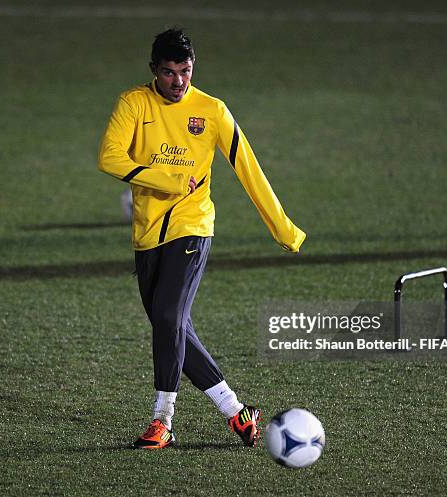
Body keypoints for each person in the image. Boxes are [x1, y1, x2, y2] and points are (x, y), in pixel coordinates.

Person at [98, 28, 305, 449]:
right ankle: (237, 412)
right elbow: (109, 156)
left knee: (169, 319)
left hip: (193, 228)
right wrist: (170, 179)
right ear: (153, 70)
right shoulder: (134, 103)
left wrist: (282, 227)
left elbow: (249, 168)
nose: (178, 82)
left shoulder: (212, 111)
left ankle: (162, 420)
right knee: (170, 325)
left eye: (185, 71)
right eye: (169, 73)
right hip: (147, 234)